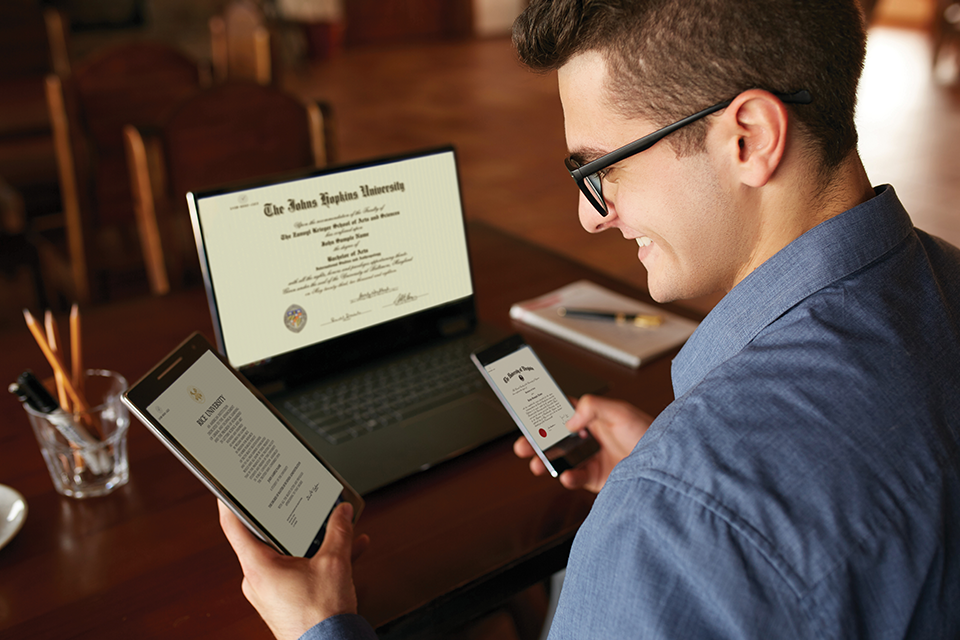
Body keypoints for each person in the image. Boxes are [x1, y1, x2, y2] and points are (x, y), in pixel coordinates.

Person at [219, 0, 960, 637]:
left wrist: (317, 628)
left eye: (603, 168)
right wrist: (668, 478)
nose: (588, 213)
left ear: (750, 138)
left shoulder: (675, 520)